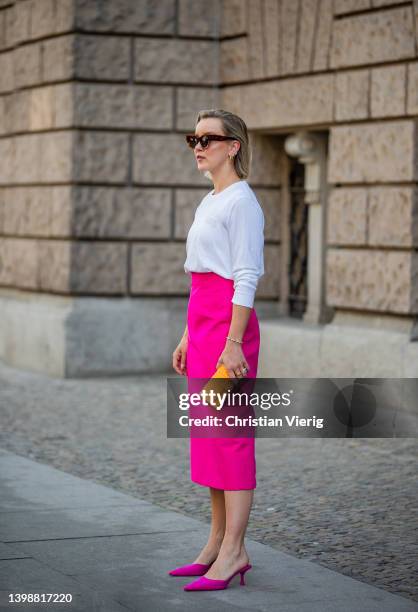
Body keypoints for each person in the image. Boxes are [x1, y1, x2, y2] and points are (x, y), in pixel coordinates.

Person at [170, 109, 265, 592]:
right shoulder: (210, 201)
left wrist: (231, 343)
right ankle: (213, 545)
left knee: (229, 438)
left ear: (234, 146)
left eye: (209, 138)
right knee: (208, 438)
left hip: (230, 334)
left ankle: (235, 552)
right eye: (194, 138)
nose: (198, 146)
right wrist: (189, 335)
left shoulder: (242, 203)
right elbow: (201, 273)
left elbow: (245, 277)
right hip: (204, 328)